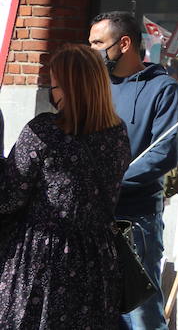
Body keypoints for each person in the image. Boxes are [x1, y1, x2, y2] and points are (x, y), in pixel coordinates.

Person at [0, 45, 131, 328]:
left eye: (55, 84)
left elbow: (9, 197)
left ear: (70, 88)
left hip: (44, 256)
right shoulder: (117, 133)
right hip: (97, 258)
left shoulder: (44, 131)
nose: (52, 92)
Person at [89, 11, 178, 330]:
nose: (92, 50)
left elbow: (165, 154)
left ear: (124, 43)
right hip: (90, 216)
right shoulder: (95, 86)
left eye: (98, 43)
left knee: (140, 314)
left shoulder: (163, 89)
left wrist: (108, 182)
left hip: (136, 220)